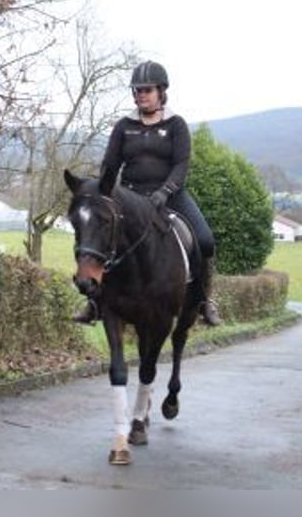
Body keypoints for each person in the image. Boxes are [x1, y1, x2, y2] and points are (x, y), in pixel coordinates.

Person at [72, 60, 222, 326]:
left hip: (170, 195)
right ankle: (94, 302)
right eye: (138, 90)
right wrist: (102, 192)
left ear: (161, 91)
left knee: (206, 240)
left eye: (147, 90)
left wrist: (165, 191)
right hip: (131, 197)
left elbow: (181, 165)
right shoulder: (123, 126)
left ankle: (203, 301)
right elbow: (110, 166)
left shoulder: (176, 125)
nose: (142, 94)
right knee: (103, 237)